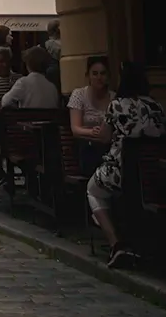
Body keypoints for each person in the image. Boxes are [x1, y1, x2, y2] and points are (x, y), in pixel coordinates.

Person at [86, 61, 166, 268]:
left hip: (123, 171)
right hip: (154, 174)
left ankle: (116, 243)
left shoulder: (118, 105)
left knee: (93, 190)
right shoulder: (157, 106)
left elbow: (104, 137)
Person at [68, 55, 115, 175]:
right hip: (85, 146)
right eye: (95, 74)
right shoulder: (79, 94)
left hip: (108, 145)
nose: (99, 78)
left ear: (108, 76)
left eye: (103, 73)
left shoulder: (114, 99)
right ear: (88, 76)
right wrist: (91, 132)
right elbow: (75, 129)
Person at [0, 42, 60, 109]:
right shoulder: (53, 88)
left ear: (28, 64)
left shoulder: (23, 82)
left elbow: (5, 101)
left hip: (27, 116)